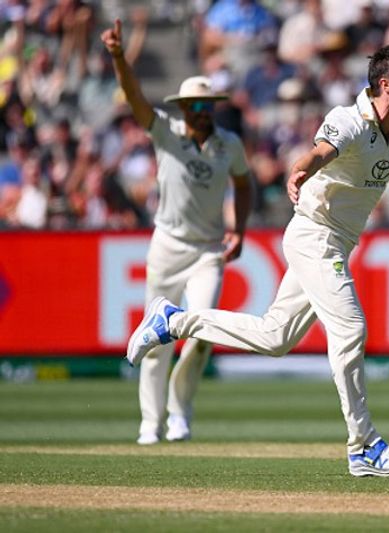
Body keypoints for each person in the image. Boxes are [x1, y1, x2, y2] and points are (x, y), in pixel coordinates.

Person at [126, 45, 389, 476]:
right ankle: (364, 445)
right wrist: (300, 170)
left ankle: (172, 321)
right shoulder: (347, 119)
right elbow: (317, 153)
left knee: (275, 337)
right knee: (351, 327)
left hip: (335, 243)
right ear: (385, 85)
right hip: (315, 235)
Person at [101, 20, 254, 445]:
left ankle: (179, 414)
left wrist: (237, 230)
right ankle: (150, 422)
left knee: (201, 335)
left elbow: (244, 184)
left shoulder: (229, 144)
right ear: (183, 107)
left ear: (214, 107)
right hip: (167, 246)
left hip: (208, 250)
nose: (200, 112)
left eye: (206, 105)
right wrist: (118, 57)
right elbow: (134, 99)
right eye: (194, 105)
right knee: (157, 341)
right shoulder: (166, 132)